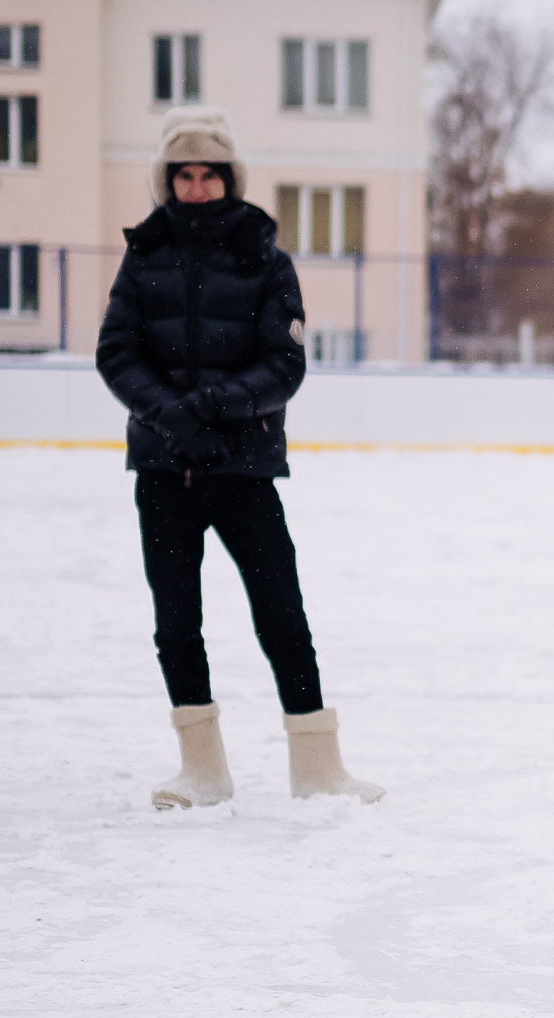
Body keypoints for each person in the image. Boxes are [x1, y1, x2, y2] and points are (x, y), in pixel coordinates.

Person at [95, 106, 381, 810]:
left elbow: (283, 364)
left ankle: (318, 767)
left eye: (209, 174)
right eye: (183, 175)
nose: (196, 187)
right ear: (168, 180)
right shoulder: (144, 255)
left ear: (230, 178)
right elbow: (116, 353)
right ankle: (203, 771)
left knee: (281, 611)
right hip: (165, 469)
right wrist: (171, 418)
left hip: (243, 467)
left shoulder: (266, 257)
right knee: (175, 620)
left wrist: (213, 408)